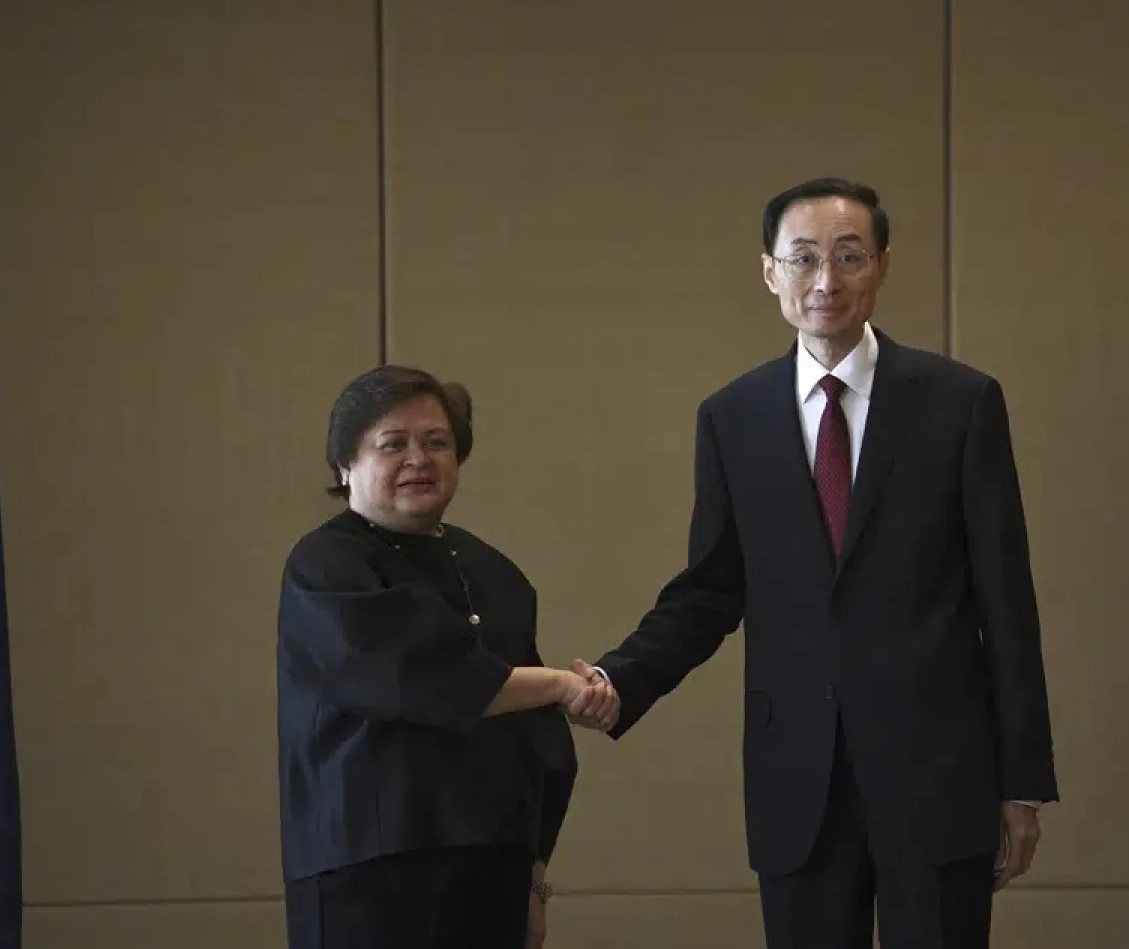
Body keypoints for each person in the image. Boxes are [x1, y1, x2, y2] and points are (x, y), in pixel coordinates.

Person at [570, 178, 1058, 949]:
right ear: (770, 272)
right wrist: (618, 678)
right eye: (803, 258)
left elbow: (1007, 599)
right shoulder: (732, 418)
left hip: (938, 772)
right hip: (798, 776)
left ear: (882, 266)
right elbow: (709, 589)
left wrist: (1022, 780)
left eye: (848, 255)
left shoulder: (959, 403)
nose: (825, 280)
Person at [276, 365, 611, 949]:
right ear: (345, 463)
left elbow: (539, 744)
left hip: (493, 865)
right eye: (392, 444)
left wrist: (535, 882)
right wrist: (559, 684)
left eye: (437, 442)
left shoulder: (495, 572)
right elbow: (427, 676)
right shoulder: (326, 566)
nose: (419, 459)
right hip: (368, 868)